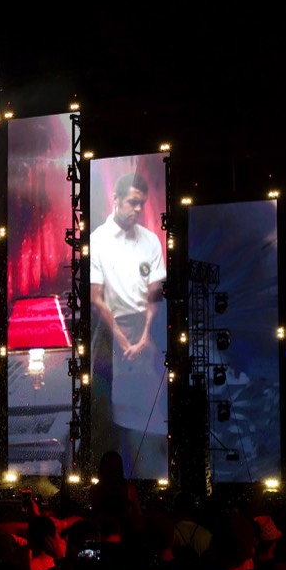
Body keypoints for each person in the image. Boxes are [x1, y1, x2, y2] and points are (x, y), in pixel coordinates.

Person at [90, 173, 167, 477]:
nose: (137, 209)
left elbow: (154, 295)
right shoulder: (98, 240)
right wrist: (122, 341)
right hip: (109, 333)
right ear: (117, 200)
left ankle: (149, 477)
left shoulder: (149, 240)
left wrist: (146, 335)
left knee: (150, 410)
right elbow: (97, 297)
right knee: (108, 409)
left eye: (142, 204)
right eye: (133, 202)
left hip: (147, 332)